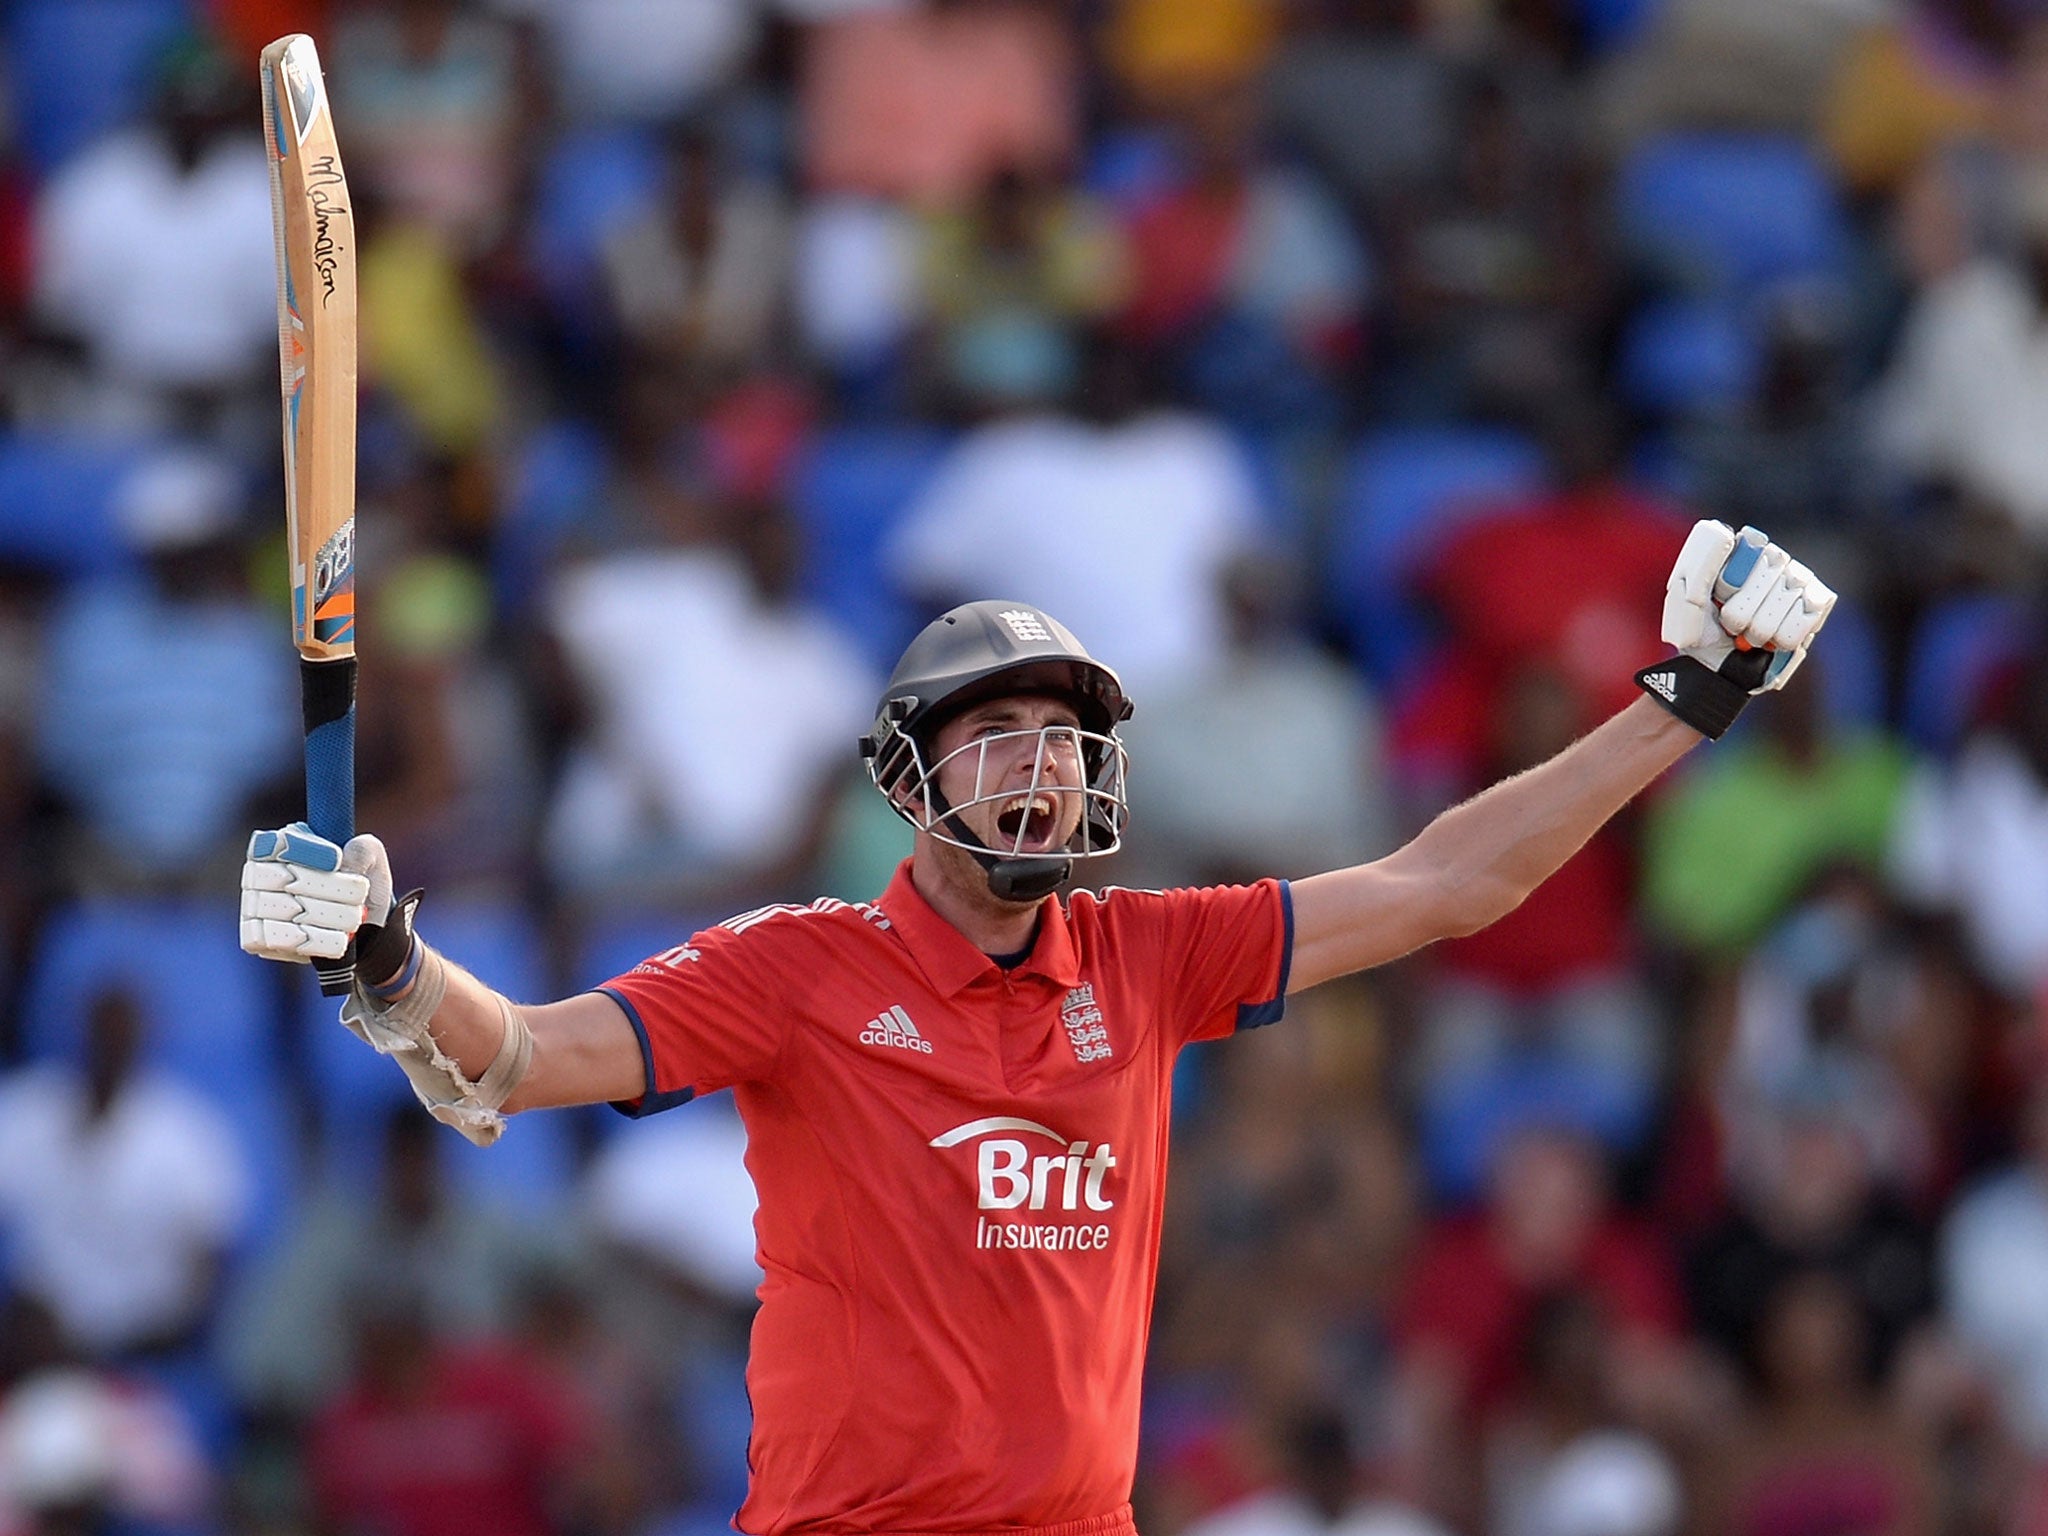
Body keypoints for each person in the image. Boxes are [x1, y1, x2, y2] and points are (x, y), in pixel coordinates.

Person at [238, 522, 1835, 1536]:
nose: (1037, 767)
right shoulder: (795, 968)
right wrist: (389, 961)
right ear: (909, 783)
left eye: (1060, 737)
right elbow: (515, 1055)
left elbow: (1444, 885)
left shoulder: (1146, 958)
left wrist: (1681, 703)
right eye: (994, 733)